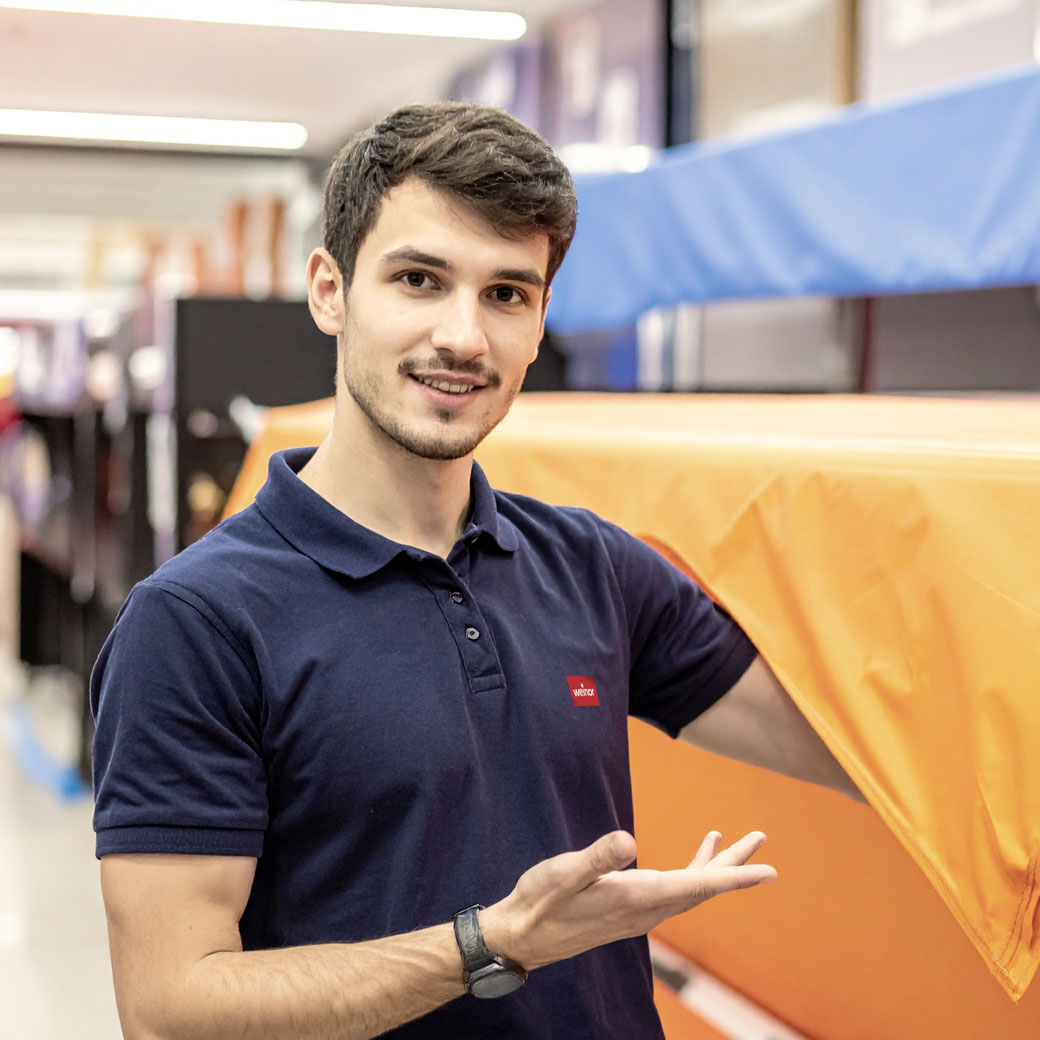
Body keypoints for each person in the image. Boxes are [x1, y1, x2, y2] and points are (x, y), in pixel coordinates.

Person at [92, 102, 861, 1040]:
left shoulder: (593, 565)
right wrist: (492, 942)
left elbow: (853, 745)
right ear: (330, 291)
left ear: (541, 322)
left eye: (507, 293)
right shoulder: (195, 622)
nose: (465, 337)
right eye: (420, 279)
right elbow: (172, 1008)